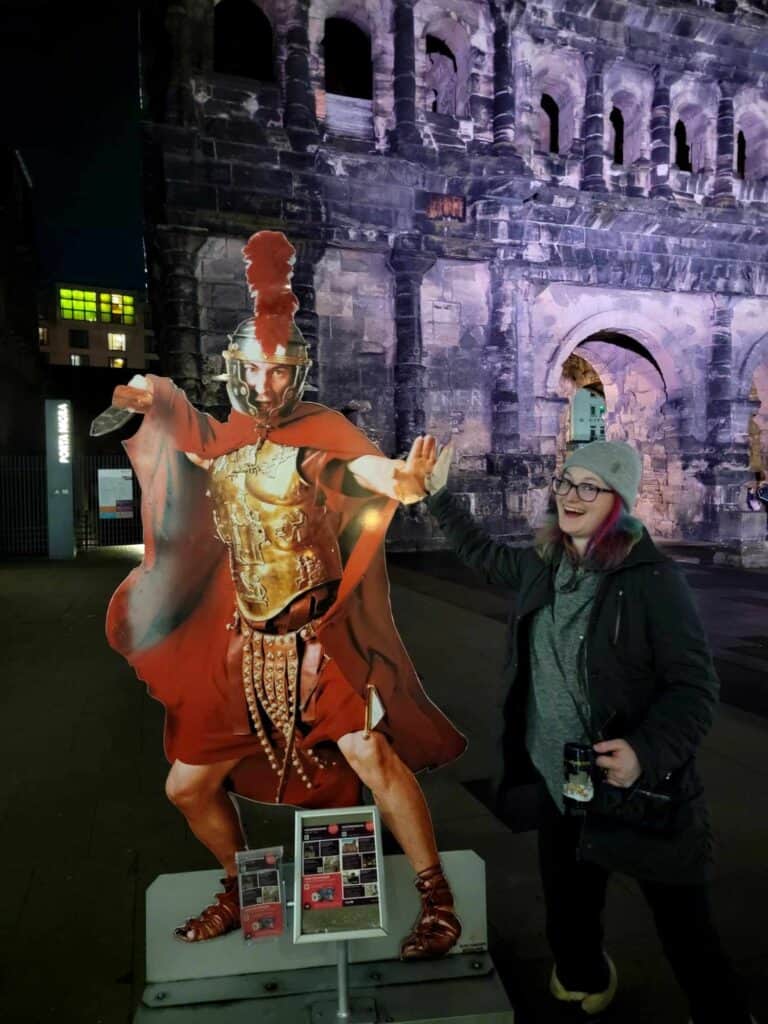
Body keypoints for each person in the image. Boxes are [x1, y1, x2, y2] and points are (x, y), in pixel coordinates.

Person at [105, 231, 465, 957]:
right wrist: (148, 396)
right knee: (185, 787)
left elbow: (359, 473)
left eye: (281, 373)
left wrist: (402, 477)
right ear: (238, 370)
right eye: (257, 372)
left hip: (318, 645)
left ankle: (437, 898)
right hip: (243, 647)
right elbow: (182, 431)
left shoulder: (317, 433)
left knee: (371, 753)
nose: (269, 386)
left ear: (296, 374)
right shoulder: (224, 441)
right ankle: (239, 889)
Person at [417, 436, 755, 1023]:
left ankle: (722, 1013)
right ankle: (583, 974)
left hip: (639, 787)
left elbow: (695, 688)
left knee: (682, 920)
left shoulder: (652, 582)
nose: (571, 496)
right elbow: (482, 554)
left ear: (617, 501)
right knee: (568, 898)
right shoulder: (544, 562)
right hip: (560, 777)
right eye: (566, 481)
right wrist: (438, 495)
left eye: (589, 487)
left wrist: (646, 751)